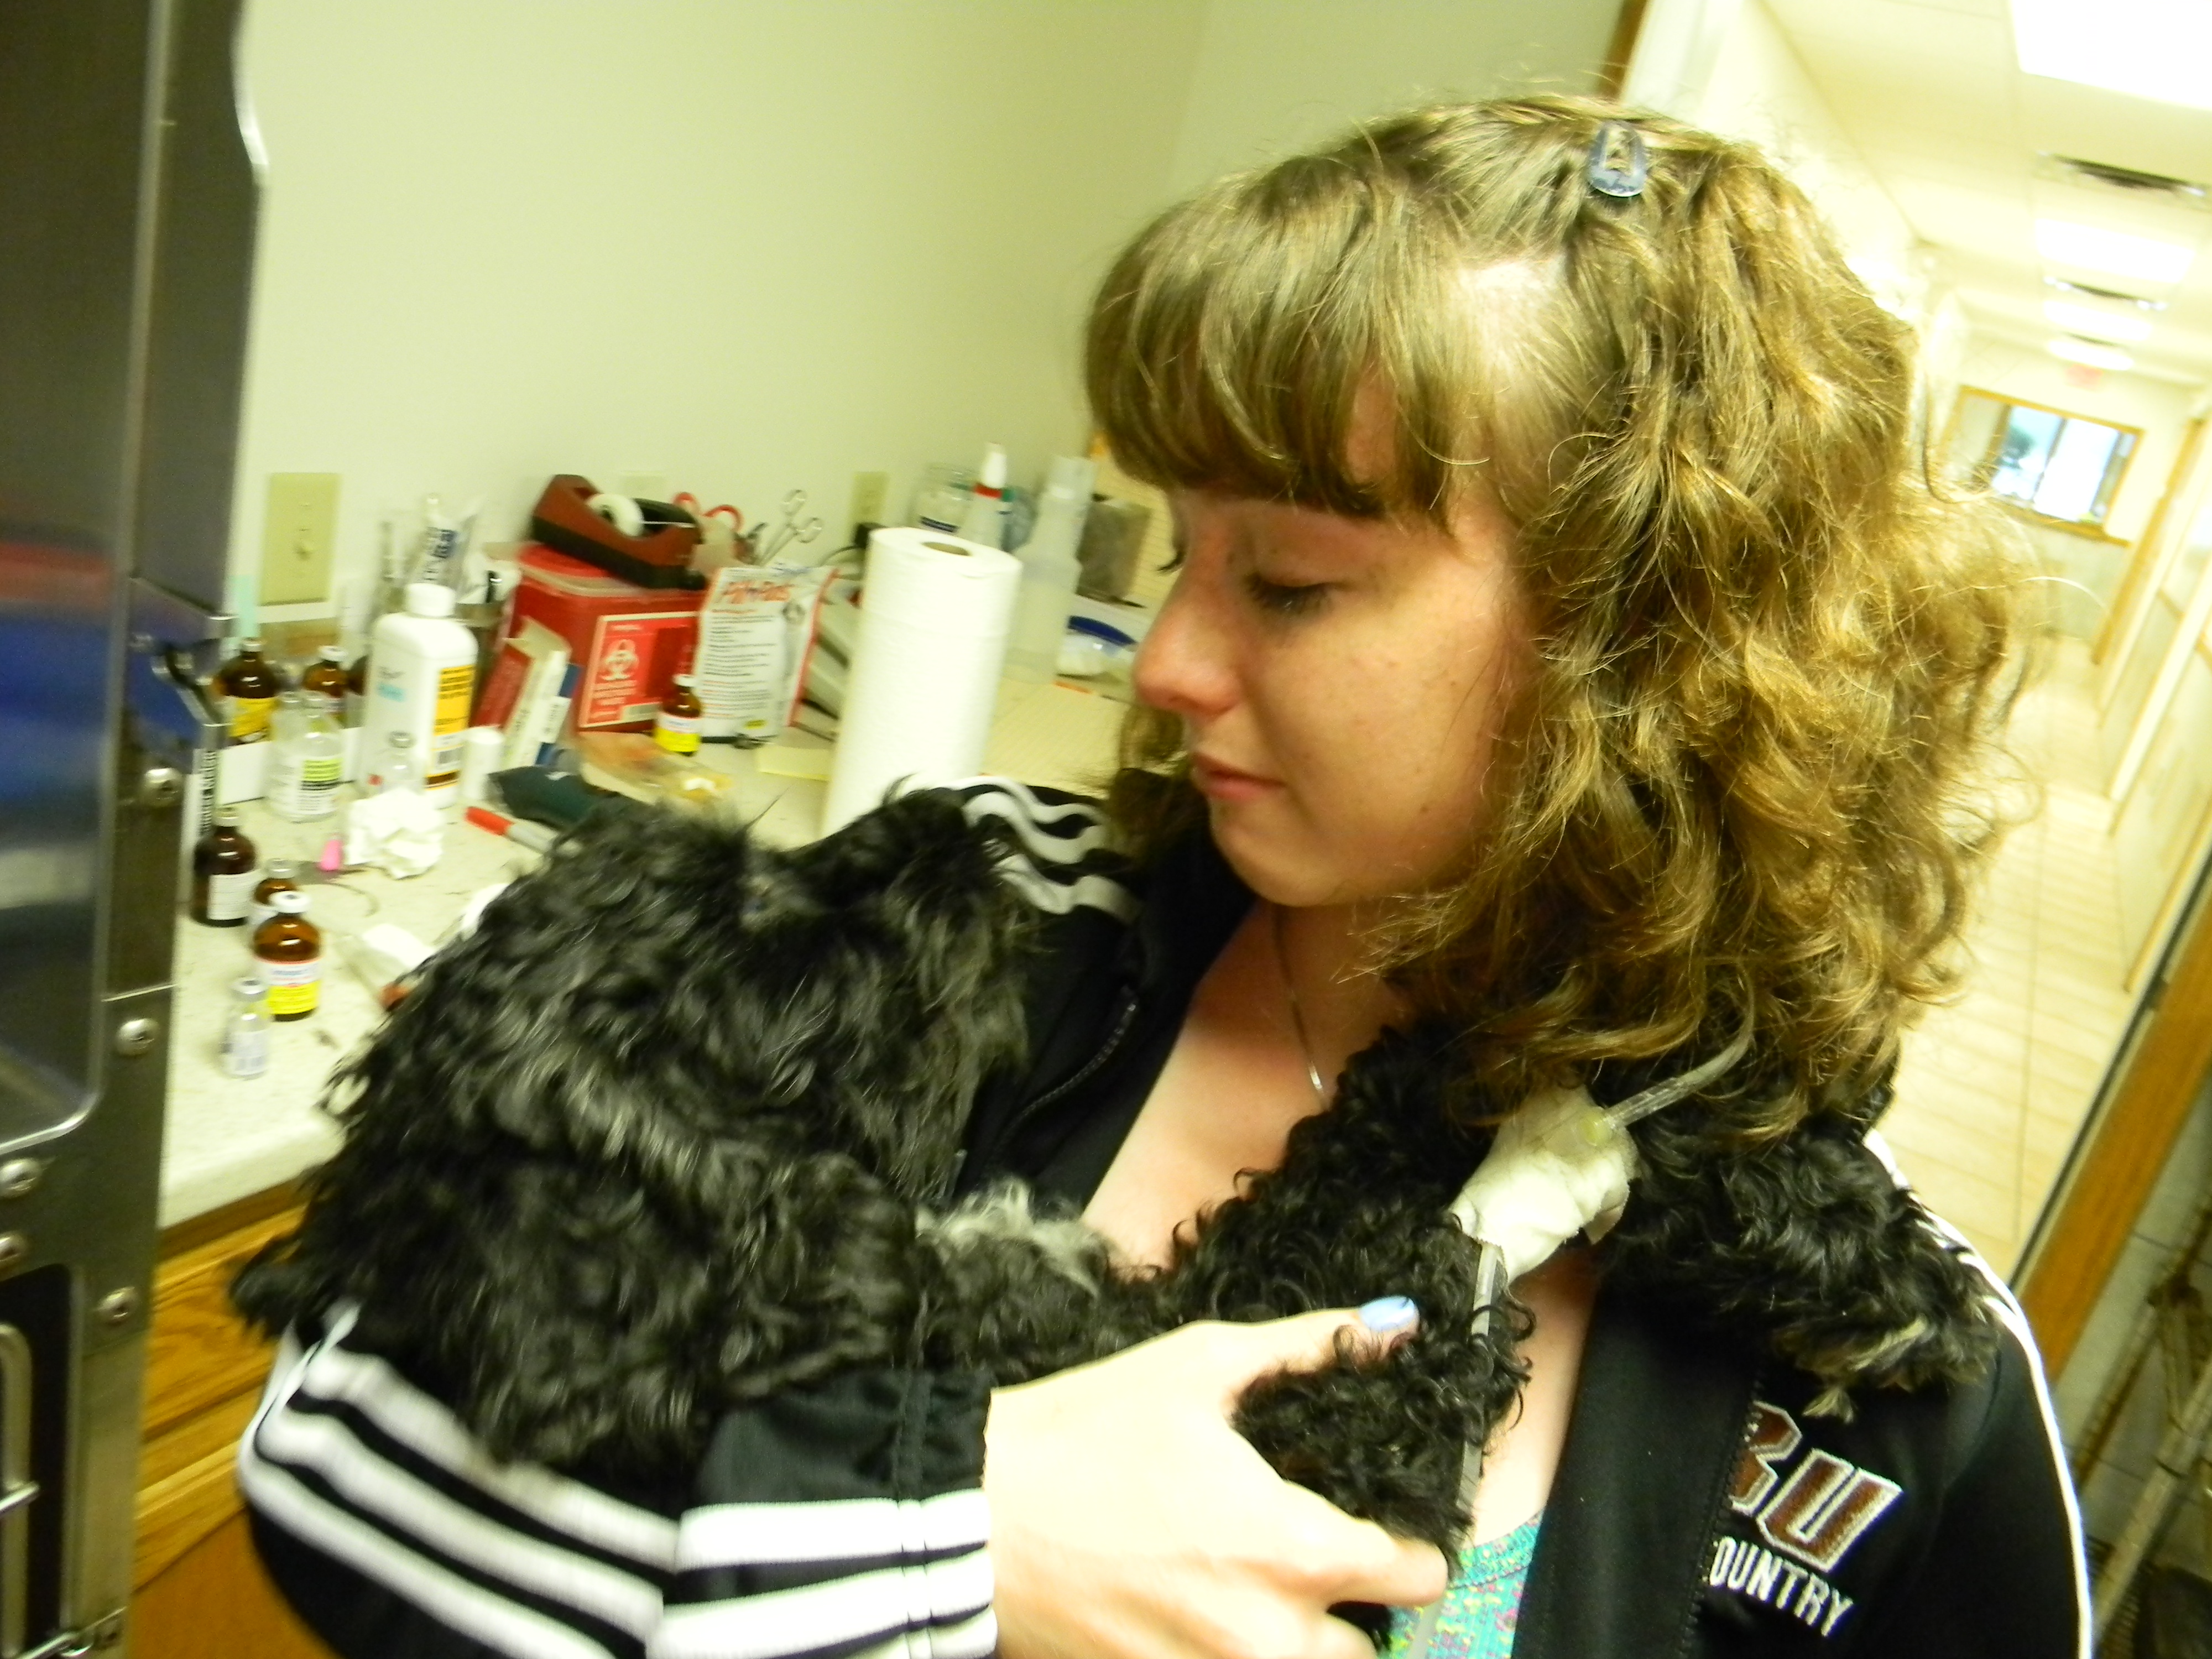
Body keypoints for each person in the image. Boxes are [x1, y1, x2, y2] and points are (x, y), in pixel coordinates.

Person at [238, 97, 2087, 1659]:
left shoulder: (1884, 1380)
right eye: (1178, 555)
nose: (1172, 664)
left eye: (1289, 583)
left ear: (1653, 647)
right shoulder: (981, 936)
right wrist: (947, 1542)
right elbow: (333, 1433)